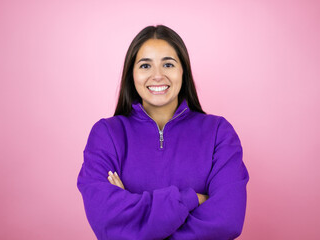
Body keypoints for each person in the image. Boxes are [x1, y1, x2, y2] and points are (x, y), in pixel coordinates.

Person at [77, 24, 249, 240]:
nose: (157, 76)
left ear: (182, 71)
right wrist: (191, 199)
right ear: (131, 74)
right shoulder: (107, 134)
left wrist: (133, 215)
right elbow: (105, 219)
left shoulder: (218, 132)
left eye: (168, 64)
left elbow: (227, 221)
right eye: (145, 66)